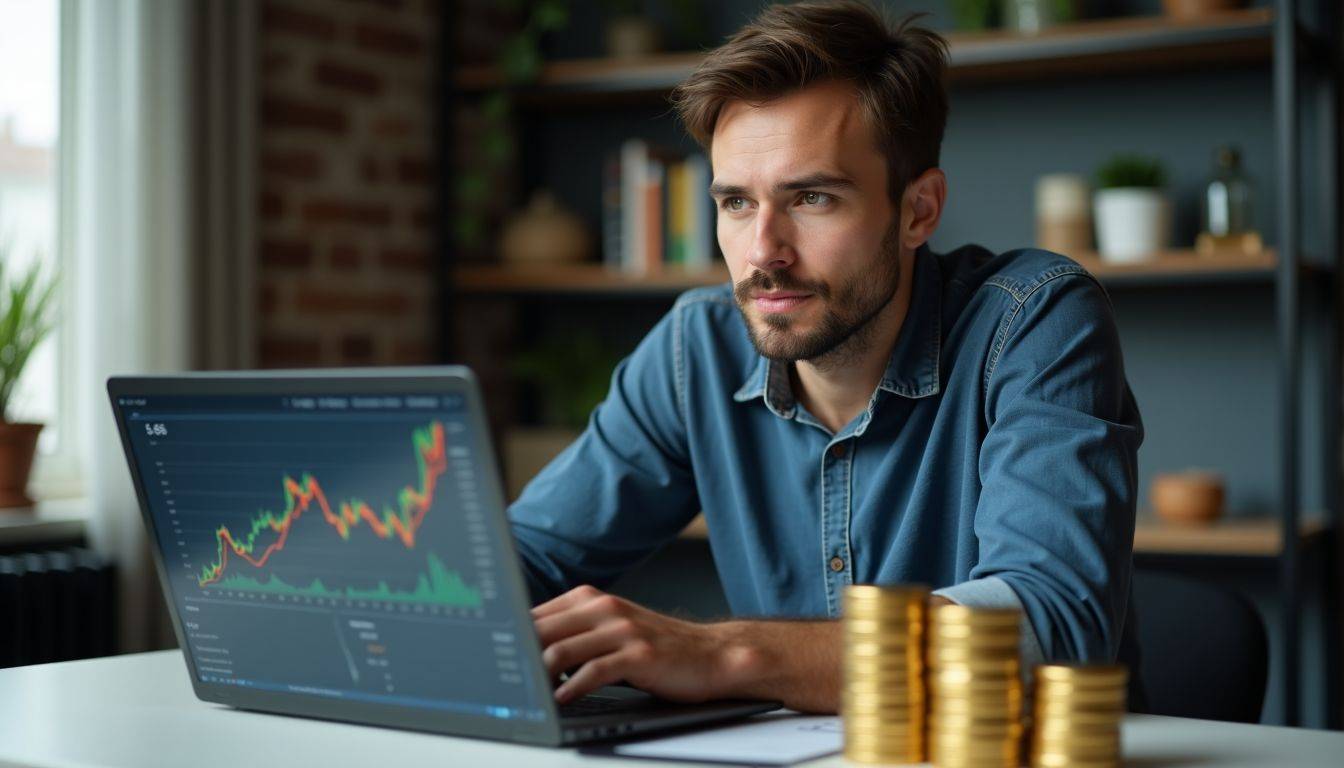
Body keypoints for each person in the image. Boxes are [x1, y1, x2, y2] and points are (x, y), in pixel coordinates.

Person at [508, 0, 1143, 714]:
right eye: (736, 204)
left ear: (918, 210)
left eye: (811, 198)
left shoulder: (1034, 320)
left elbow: (1051, 623)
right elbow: (523, 561)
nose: (762, 254)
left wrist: (726, 653)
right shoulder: (697, 349)